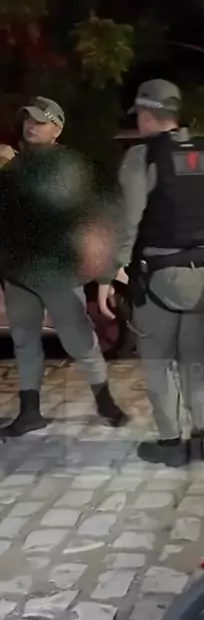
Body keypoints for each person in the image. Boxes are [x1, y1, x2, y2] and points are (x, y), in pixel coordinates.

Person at [98, 79, 204, 467]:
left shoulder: (141, 157)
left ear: (147, 115)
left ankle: (171, 443)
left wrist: (109, 276)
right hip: (202, 273)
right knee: (194, 358)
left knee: (158, 360)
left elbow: (128, 223)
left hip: (157, 277)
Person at [0, 96, 127, 437]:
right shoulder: (14, 165)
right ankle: (29, 412)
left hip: (57, 272)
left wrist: (106, 269)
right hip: (19, 271)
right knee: (25, 342)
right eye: (27, 120)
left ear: (56, 129)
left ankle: (105, 401)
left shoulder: (66, 165)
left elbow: (70, 210)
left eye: (39, 121)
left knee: (79, 340)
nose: (30, 126)